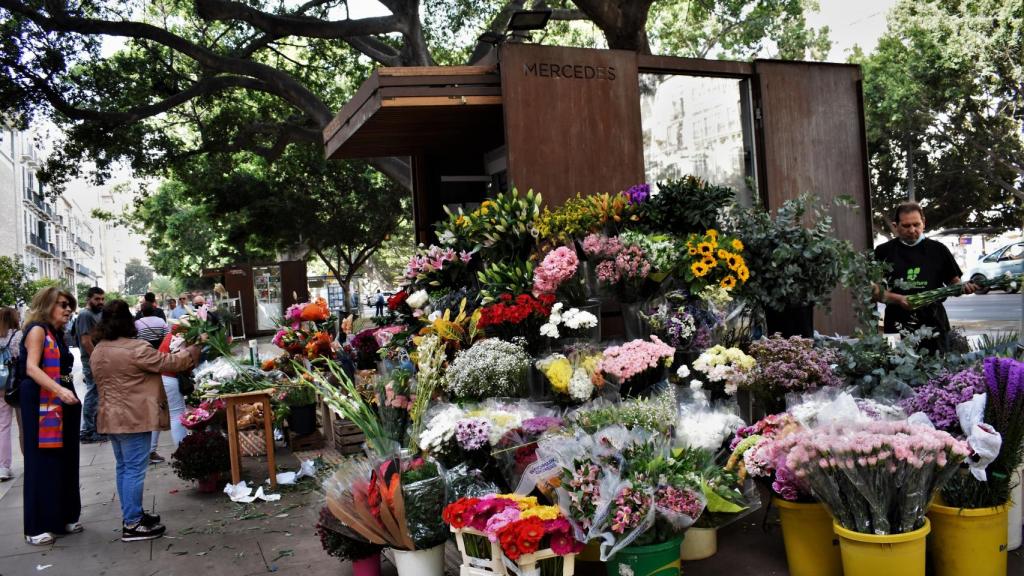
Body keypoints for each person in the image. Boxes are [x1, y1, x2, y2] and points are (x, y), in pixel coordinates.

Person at [90, 300, 200, 542]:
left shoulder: (99, 348)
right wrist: (193, 350)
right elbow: (171, 363)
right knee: (134, 470)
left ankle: (133, 514)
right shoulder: (134, 348)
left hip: (110, 416)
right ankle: (132, 524)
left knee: (124, 468)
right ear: (127, 321)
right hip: (132, 417)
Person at [18, 287, 82, 546]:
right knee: (42, 460)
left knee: (65, 459)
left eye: (70, 305)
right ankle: (36, 526)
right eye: (63, 304)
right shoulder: (37, 330)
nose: (68, 309)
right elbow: (31, 368)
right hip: (43, 399)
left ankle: (60, 518)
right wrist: (59, 390)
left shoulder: (57, 333)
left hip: (62, 398)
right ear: (47, 305)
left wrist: (65, 393)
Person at [875, 201, 977, 353]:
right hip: (897, 323)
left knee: (937, 373)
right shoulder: (883, 252)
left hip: (934, 323)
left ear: (924, 223)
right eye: (906, 225)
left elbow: (955, 283)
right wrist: (900, 299)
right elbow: (874, 290)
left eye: (916, 224)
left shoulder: (938, 250)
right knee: (896, 371)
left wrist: (963, 288)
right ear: (896, 226)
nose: (912, 230)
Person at [149, 332, 188, 461]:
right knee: (177, 415)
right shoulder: (183, 336)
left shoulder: (170, 335)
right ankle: (183, 452)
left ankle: (150, 451)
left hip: (159, 378)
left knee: (159, 414)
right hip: (170, 377)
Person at [76, 287, 106, 443]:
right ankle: (88, 430)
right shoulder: (85, 315)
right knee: (93, 393)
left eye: (102, 299)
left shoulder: (98, 313)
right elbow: (86, 341)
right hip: (92, 361)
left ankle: (96, 428)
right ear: (88, 299)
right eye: (97, 299)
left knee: (98, 394)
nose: (100, 302)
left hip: (99, 360)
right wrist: (98, 359)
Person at [0, 307, 24, 481]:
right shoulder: (19, 335)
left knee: (3, 426)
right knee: (23, 424)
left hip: (0, 385)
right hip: (15, 385)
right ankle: (29, 460)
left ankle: (3, 467)